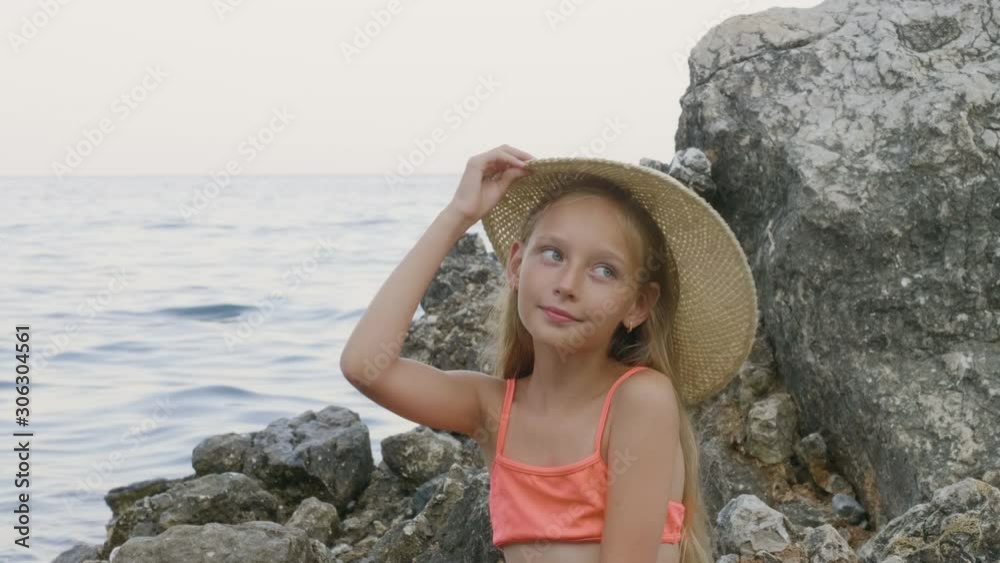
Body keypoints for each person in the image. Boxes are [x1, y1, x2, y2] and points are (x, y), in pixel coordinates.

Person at [340, 144, 758, 563]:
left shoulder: (640, 399)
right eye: (554, 254)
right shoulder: (491, 409)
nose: (568, 283)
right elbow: (365, 367)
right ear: (517, 266)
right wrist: (457, 216)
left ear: (638, 305)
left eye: (603, 270)